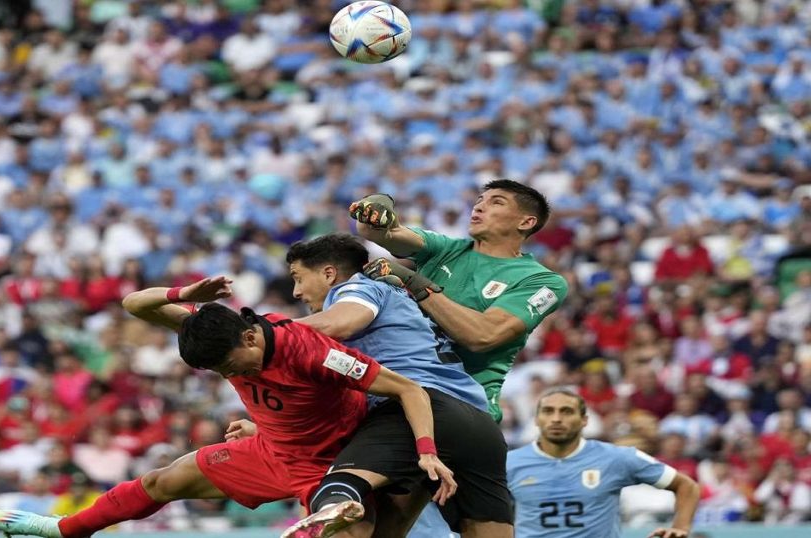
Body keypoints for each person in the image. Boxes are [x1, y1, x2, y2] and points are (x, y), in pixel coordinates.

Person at [0, 277, 455, 538]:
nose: (231, 375)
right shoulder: (220, 337)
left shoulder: (312, 351)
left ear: (250, 337)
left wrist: (427, 450)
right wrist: (183, 296)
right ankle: (68, 530)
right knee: (161, 480)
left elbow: (409, 390)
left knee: (352, 535)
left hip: (332, 464)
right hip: (271, 453)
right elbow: (135, 304)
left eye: (230, 366)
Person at [277, 234, 512, 538]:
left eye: (298, 278)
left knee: (337, 490)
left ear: (329, 273)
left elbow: (341, 323)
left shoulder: (357, 288)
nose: (296, 292)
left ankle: (333, 503)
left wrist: (266, 331)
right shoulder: (401, 299)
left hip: (416, 410)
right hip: (478, 425)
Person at [351, 179, 569, 423]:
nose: (479, 207)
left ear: (526, 222)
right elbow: (382, 232)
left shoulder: (542, 281)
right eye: (479, 201)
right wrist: (376, 205)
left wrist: (417, 284)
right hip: (403, 392)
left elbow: (482, 335)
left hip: (466, 405)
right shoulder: (445, 248)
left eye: (496, 202)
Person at [507, 389, 700, 538]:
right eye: (548, 412)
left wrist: (680, 527)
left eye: (566, 412)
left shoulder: (617, 457)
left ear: (584, 420)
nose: (556, 419)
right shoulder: (509, 463)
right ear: (536, 420)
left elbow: (686, 486)